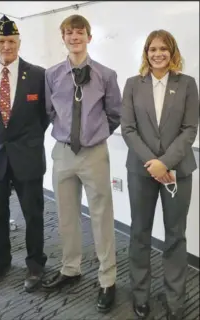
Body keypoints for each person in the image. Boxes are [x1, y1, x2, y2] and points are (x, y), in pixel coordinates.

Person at [43, 15, 122, 313]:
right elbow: (50, 111)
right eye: (69, 33)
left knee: (102, 215)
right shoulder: (52, 75)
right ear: (63, 37)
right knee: (66, 214)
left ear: (89, 37)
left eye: (80, 33)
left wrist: (94, 135)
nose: (74, 37)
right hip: (63, 152)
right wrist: (67, 135)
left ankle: (108, 278)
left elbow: (115, 114)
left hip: (94, 153)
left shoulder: (106, 75)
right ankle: (70, 268)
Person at [121, 29, 199, 320]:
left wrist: (165, 163)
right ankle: (140, 295)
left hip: (179, 170)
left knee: (175, 236)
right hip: (140, 171)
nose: (157, 54)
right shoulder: (132, 84)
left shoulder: (187, 84)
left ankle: (175, 298)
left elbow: (190, 129)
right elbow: (127, 129)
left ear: (172, 52)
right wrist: (152, 163)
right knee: (139, 233)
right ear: (146, 52)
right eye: (152, 49)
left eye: (163, 49)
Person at [0, 15, 49, 293]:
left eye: (12, 41)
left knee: (33, 215)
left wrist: (26, 140)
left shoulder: (39, 74)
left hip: (27, 156)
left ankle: (35, 265)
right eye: (1, 41)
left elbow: (44, 116)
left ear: (19, 42)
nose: (7, 46)